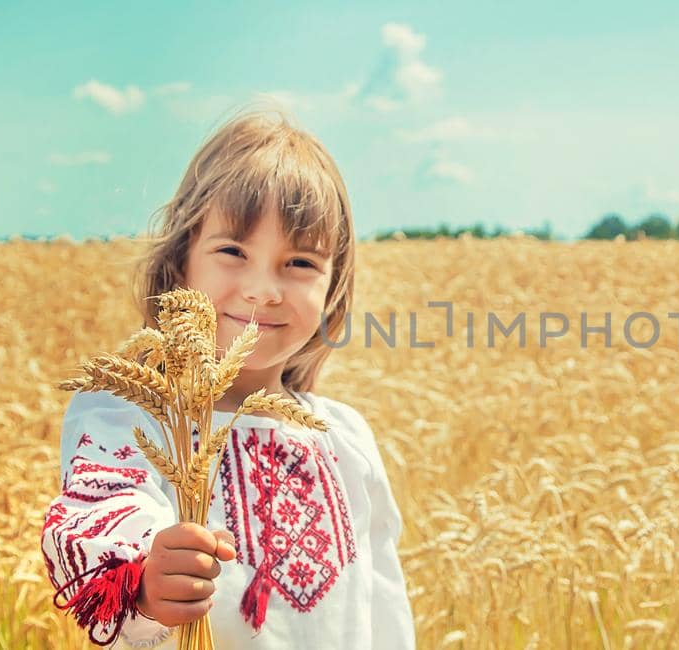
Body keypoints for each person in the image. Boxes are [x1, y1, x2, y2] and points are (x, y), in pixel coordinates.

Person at [40, 106, 415, 648]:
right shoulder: (128, 416)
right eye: (233, 251)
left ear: (334, 288)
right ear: (180, 263)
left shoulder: (347, 437)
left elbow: (385, 607)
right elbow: (101, 517)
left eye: (301, 263)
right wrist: (148, 578)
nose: (263, 289)